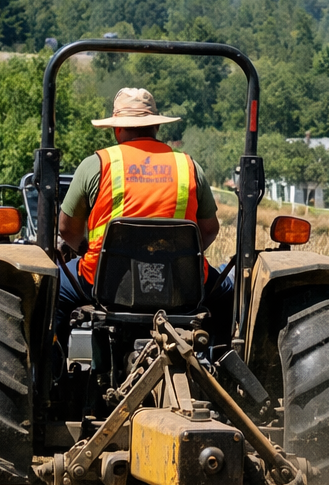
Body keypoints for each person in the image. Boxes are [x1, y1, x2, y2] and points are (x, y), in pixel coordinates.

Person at [54, 87, 230, 345]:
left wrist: (88, 250)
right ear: (156, 127)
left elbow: (66, 229)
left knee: (53, 290)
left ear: (117, 129)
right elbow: (209, 229)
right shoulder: (189, 166)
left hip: (104, 285)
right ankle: (220, 364)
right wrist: (180, 259)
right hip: (183, 286)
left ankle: (53, 373)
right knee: (227, 294)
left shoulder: (97, 165)